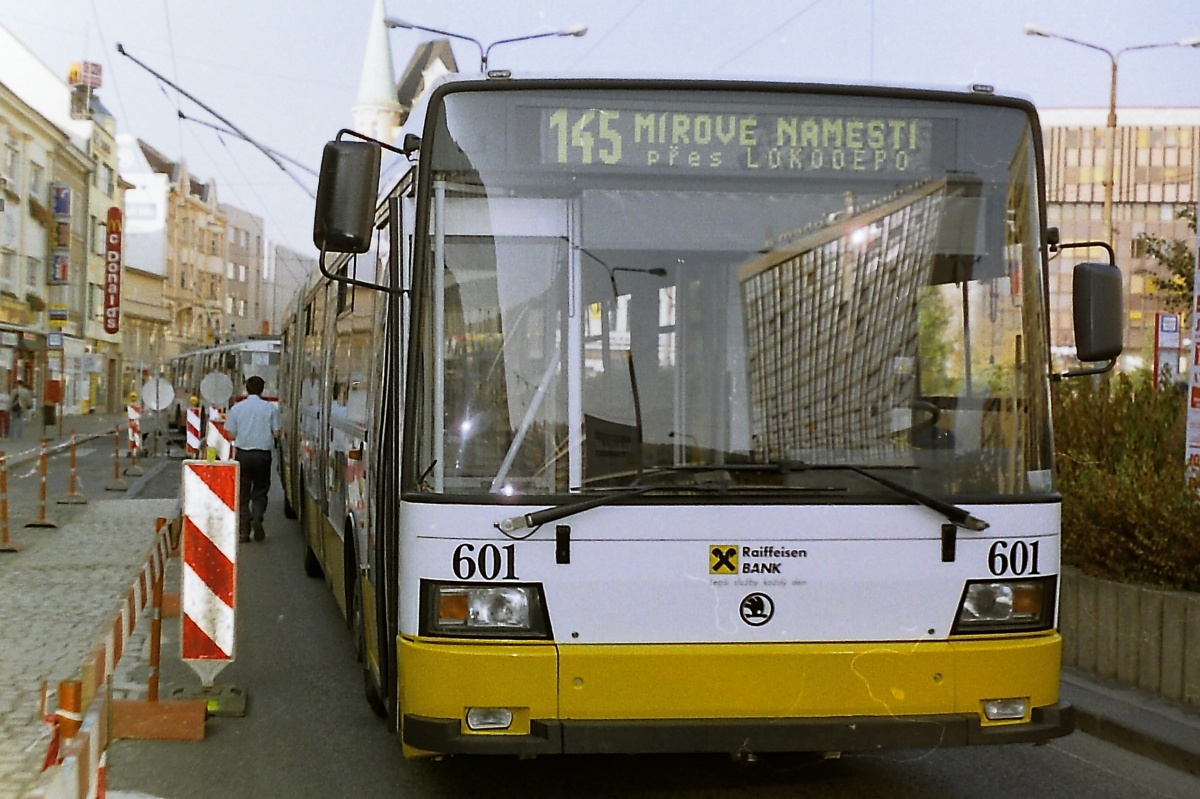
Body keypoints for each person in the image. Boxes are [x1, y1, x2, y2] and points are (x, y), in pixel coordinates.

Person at [223, 375, 282, 542]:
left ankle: (243, 531)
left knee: (242, 491)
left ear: (246, 389)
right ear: (262, 389)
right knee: (260, 489)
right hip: (263, 453)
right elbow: (277, 433)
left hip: (243, 453)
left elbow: (231, 434)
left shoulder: (237, 409)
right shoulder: (270, 408)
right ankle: (258, 516)